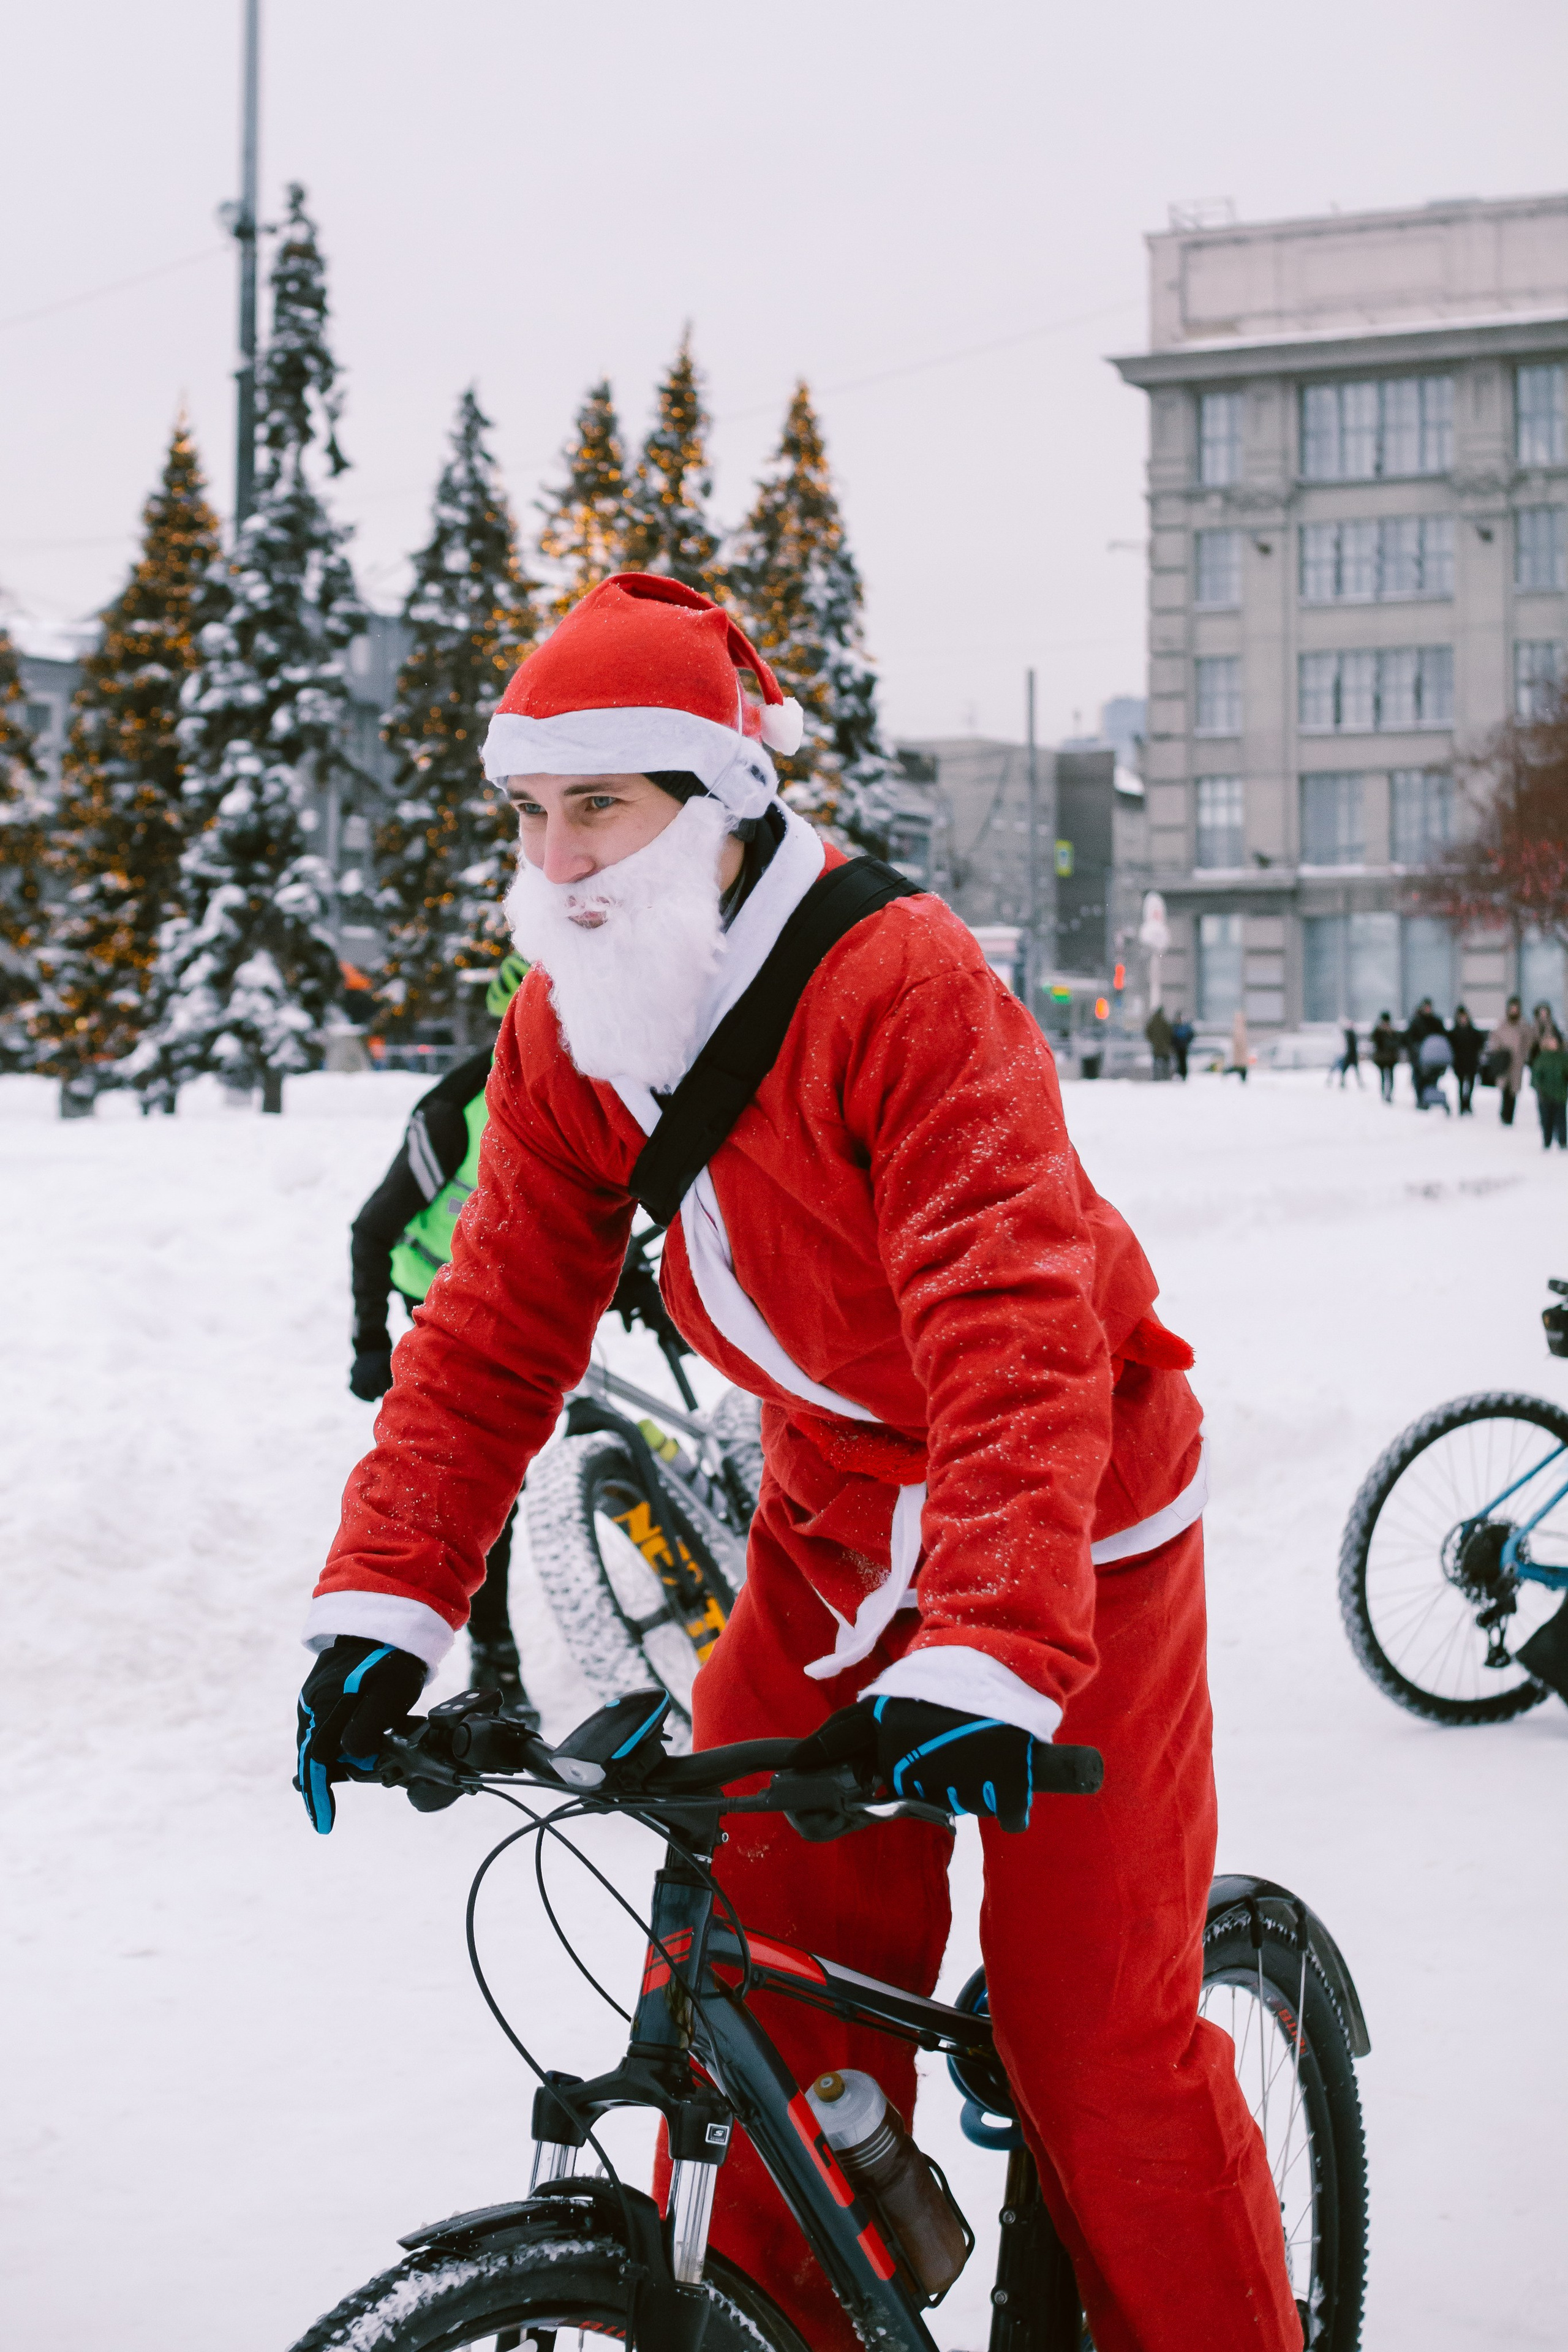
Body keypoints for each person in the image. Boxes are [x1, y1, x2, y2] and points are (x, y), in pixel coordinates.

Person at [293, 573, 1300, 2352]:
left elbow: (1012, 1318)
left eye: (601, 802)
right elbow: (490, 1332)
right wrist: (388, 1602)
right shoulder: (577, 1019)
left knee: (1094, 2041)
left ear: (724, 801)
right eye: (531, 811)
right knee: (740, 1974)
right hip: (840, 1519)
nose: (564, 855)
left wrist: (991, 1642)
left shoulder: (897, 979)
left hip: (1072, 1515)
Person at [345, 954, 537, 1720]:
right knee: (485, 1485)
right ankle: (493, 1655)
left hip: (524, 1297)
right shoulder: (456, 1110)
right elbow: (371, 1230)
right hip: (439, 1304)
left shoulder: (586, 1099)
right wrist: (366, 1341)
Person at [1485, 995, 1528, 1126]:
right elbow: (1494, 1038)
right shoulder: (1502, 1024)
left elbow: (1528, 1042)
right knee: (1504, 1088)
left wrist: (1524, 1055)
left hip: (1517, 1061)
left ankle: (1510, 1117)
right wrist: (1498, 1050)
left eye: (1516, 1008)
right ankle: (1504, 1115)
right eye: (1512, 1008)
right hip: (1504, 1060)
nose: (1514, 1010)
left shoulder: (1523, 1025)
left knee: (1514, 1090)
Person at [1532, 1020, 1568, 1148]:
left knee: (1561, 1120)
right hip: (1545, 1096)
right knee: (1547, 1120)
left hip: (1560, 1094)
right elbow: (1536, 1077)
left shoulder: (1563, 1058)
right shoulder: (1541, 1059)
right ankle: (1547, 1141)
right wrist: (1539, 1089)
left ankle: (1563, 1141)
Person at [1448, 1004, 1483, 1115]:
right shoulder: (1454, 1033)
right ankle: (1462, 1105)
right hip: (1460, 1062)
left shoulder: (1473, 1031)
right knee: (1461, 1084)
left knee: (1471, 1084)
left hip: (1471, 1062)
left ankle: (1468, 1103)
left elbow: (1479, 1042)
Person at [1370, 1011, 1402, 1104]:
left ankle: (1389, 1095)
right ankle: (1384, 1094)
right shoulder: (1378, 1031)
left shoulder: (1392, 1031)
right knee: (1383, 1077)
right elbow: (1374, 1040)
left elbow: (1397, 1043)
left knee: (1390, 1077)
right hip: (1382, 1059)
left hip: (1391, 1058)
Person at [1144, 1002, 1174, 1080]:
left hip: (1156, 1046)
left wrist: (1153, 1040)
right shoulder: (1164, 1022)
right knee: (1166, 1062)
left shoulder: (1153, 1022)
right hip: (1164, 1046)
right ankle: (1165, 1077)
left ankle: (1157, 1077)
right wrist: (1167, 1042)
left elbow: (1148, 1032)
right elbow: (1169, 1033)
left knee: (1156, 1062)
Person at [1329, 1022, 1363, 1089]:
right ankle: (1343, 1082)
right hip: (1349, 1055)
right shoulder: (1348, 1034)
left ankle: (1344, 1082)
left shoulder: (1351, 1034)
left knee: (1350, 1071)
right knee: (1346, 1071)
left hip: (1351, 1055)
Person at [1169, 1008, 1194, 1080]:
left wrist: (1187, 1042)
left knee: (1183, 1061)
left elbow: (1191, 1035)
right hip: (1177, 1047)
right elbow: (1172, 1037)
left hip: (1183, 1046)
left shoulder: (1185, 1027)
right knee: (1177, 1061)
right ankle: (1179, 1074)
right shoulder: (1175, 1027)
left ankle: (1183, 1074)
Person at [1227, 1004, 1250, 1082]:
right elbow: (1239, 1041)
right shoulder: (1240, 1027)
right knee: (1241, 1067)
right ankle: (1243, 1080)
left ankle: (1243, 1079)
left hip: (1240, 1053)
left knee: (1240, 1067)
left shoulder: (1238, 1026)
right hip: (1240, 1052)